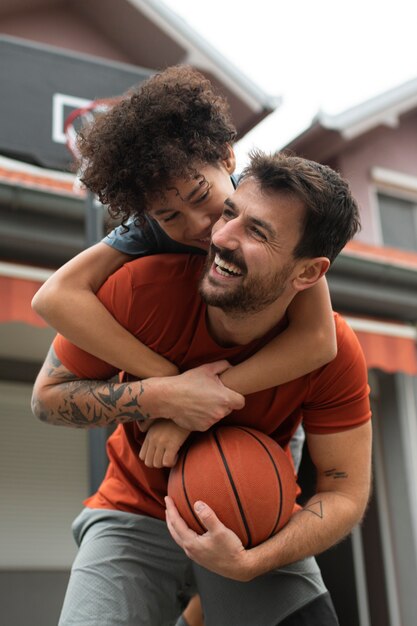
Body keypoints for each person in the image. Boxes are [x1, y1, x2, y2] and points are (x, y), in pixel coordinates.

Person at [32, 66, 336, 626]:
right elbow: (53, 297)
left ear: (227, 158)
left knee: (245, 547)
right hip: (142, 486)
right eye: (169, 215)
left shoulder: (271, 213)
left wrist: (199, 407)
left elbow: (319, 341)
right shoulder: (149, 234)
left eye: (204, 198)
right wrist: (168, 390)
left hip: (257, 444)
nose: (201, 226)